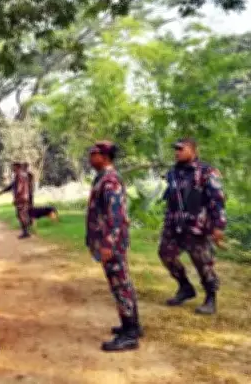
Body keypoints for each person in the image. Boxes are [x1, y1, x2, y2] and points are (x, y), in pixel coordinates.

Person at [159, 138, 226, 315]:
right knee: (166, 254)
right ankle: (185, 287)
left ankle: (211, 298)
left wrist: (218, 225)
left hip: (196, 225)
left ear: (193, 150)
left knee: (203, 262)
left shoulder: (206, 172)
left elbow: (217, 199)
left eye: (181, 149)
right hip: (174, 223)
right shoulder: (173, 173)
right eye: (176, 149)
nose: (177, 152)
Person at [85, 141, 142, 352]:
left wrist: (108, 243)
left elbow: (115, 215)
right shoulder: (103, 178)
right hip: (110, 241)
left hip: (112, 242)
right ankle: (132, 325)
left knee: (120, 285)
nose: (91, 158)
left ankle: (130, 334)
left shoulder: (110, 180)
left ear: (105, 156)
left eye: (94, 154)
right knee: (121, 283)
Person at [0, 161, 33, 239]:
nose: (12, 169)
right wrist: (3, 191)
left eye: (13, 167)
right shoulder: (24, 175)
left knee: (21, 214)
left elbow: (19, 188)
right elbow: (12, 186)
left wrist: (17, 198)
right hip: (25, 197)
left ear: (17, 167)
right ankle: (26, 230)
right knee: (21, 214)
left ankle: (26, 232)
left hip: (21, 198)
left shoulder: (19, 175)